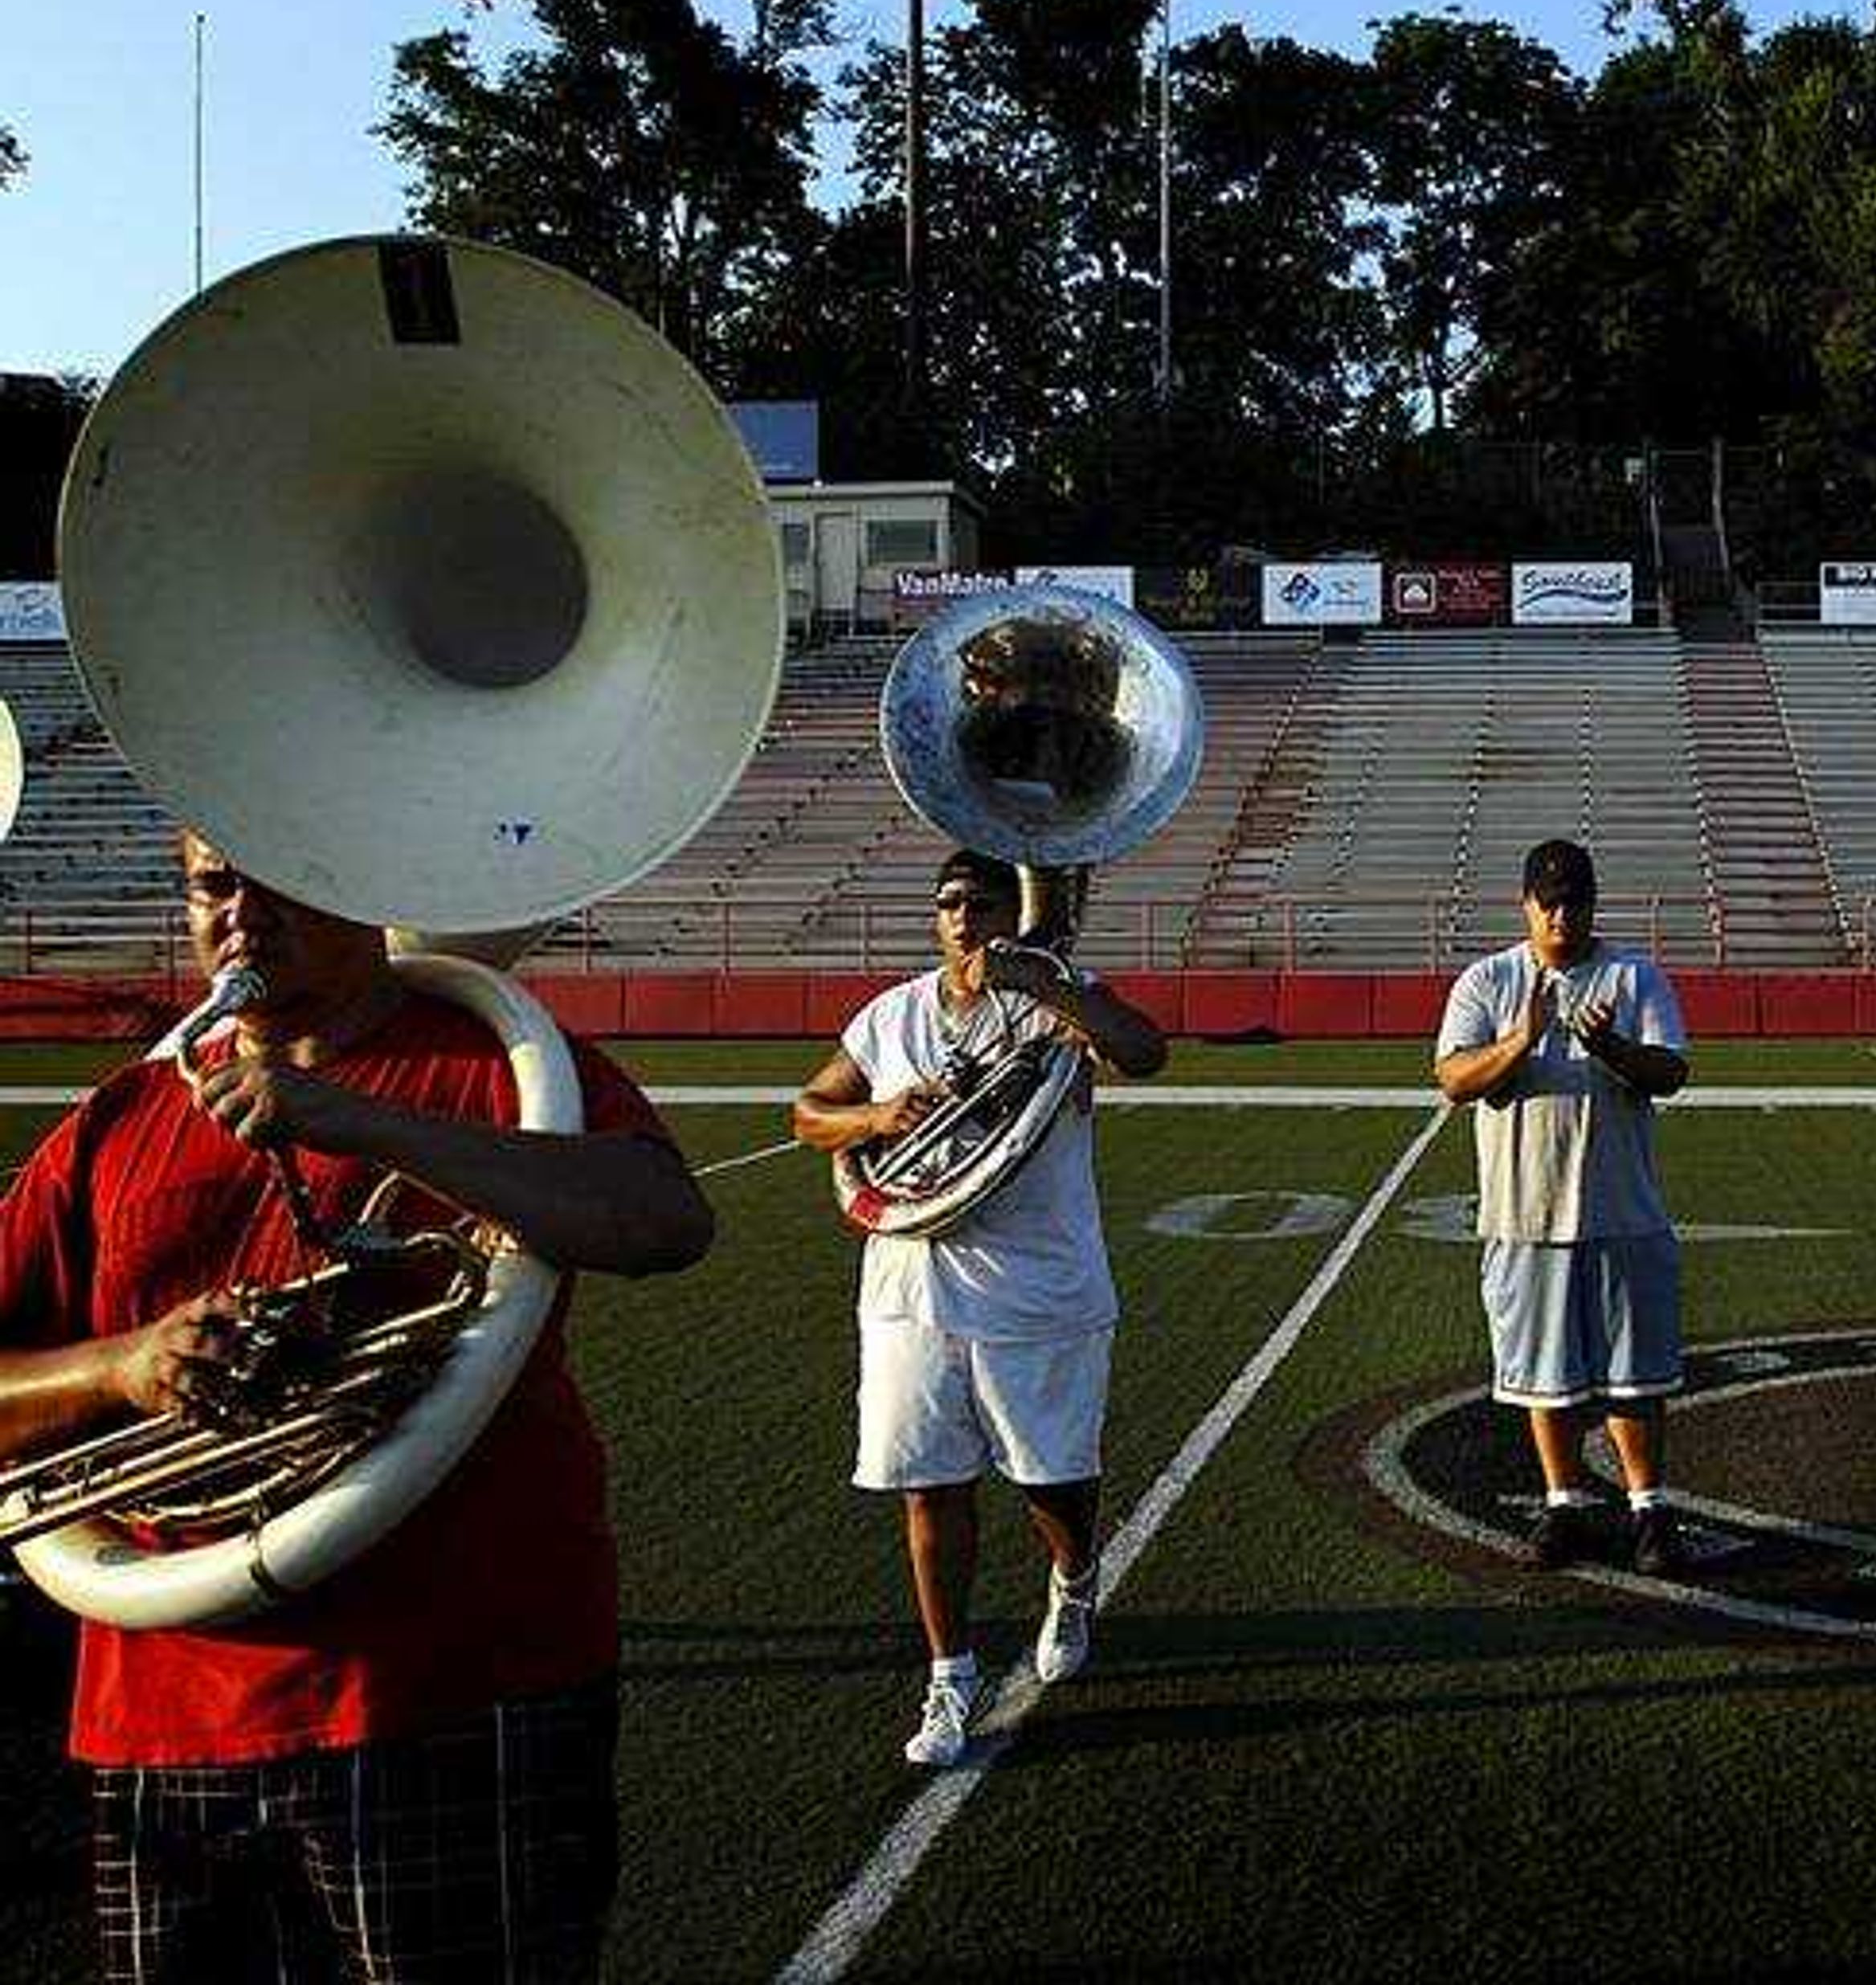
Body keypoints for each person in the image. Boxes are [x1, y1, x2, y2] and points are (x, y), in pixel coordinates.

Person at [0, 830, 715, 1983]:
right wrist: (124, 1368)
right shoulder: (120, 1116)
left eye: (284, 879)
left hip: (451, 1691)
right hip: (159, 1708)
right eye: (213, 886)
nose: (242, 915)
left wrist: (356, 1119)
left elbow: (663, 1219)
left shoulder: (493, 1062)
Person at [790, 849, 1167, 1768]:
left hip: (1037, 1288)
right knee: (930, 1482)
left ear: (1011, 908)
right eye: (949, 901)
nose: (963, 916)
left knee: (1052, 1480)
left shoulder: (1054, 997)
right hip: (909, 1287)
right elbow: (807, 1112)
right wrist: (876, 1120)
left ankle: (1074, 1577)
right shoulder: (892, 1015)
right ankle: (949, 1671)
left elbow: (1144, 1052)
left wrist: (1051, 983)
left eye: (982, 900)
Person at [1433, 839, 1692, 1575]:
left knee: (1635, 1377)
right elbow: (1454, 1077)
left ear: (1592, 903)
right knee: (1542, 1374)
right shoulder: (1489, 981)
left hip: (1624, 1212)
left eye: (1574, 900)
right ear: (1525, 904)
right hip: (1525, 1215)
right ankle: (1564, 1501)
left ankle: (1649, 1508)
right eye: (1548, 901)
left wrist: (1609, 1044)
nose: (1561, 914)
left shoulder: (1633, 975)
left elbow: (1671, 1070)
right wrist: (1523, 1038)